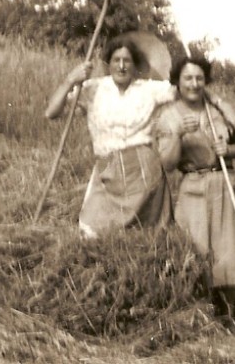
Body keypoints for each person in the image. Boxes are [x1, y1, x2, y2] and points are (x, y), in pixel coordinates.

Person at [45, 36, 177, 238]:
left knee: (144, 235)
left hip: (142, 170)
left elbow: (184, 90)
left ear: (135, 64)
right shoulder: (93, 88)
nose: (122, 66)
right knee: (92, 231)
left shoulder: (149, 89)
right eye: (117, 60)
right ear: (109, 63)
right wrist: (71, 80)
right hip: (108, 166)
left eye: (127, 61)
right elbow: (51, 113)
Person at [155, 55, 235, 319]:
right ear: (177, 81)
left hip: (225, 183)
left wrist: (228, 149)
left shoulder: (218, 109)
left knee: (229, 250)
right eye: (188, 78)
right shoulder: (168, 116)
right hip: (194, 185)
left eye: (199, 78)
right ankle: (202, 314)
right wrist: (177, 136)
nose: (194, 84)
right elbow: (168, 163)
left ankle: (228, 314)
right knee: (197, 250)